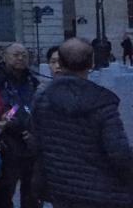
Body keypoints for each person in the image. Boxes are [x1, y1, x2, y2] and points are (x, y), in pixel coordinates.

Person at [32, 38, 133, 208]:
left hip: (62, 189)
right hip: (105, 192)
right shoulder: (102, 101)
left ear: (61, 63)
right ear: (91, 63)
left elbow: (37, 143)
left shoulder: (41, 98)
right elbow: (118, 152)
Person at [0, 43, 39, 208]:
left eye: (24, 55)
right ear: (4, 56)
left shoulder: (32, 80)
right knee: (4, 191)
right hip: (6, 142)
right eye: (16, 55)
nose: (20, 58)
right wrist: (13, 122)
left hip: (31, 142)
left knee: (33, 192)